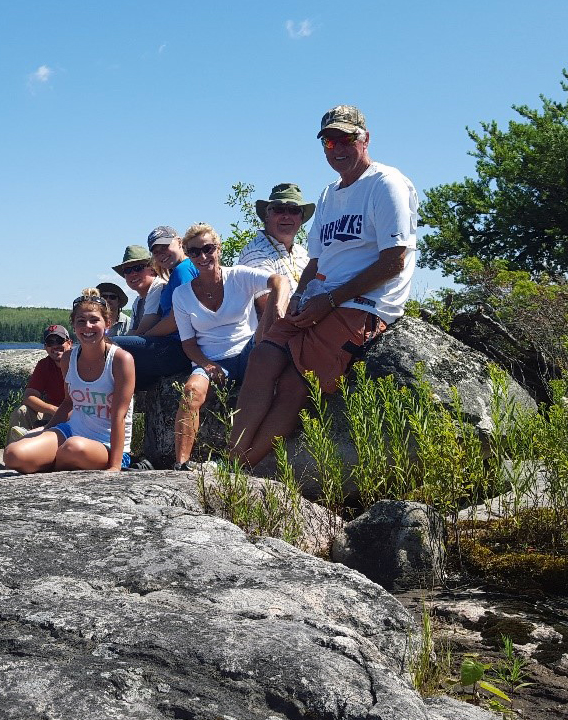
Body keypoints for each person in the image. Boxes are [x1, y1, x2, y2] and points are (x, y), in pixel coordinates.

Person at [229, 105, 418, 468]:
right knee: (264, 356)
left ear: (366, 139)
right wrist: (300, 296)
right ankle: (231, 457)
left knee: (295, 383)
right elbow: (315, 261)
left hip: (362, 304)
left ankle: (242, 468)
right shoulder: (331, 193)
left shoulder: (386, 184)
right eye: (329, 141)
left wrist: (330, 300)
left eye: (346, 138)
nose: (338, 148)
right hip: (319, 300)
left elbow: (393, 261)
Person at [170, 224, 289, 470]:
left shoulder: (238, 276)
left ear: (219, 249)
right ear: (188, 255)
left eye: (208, 249)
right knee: (191, 392)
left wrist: (278, 304)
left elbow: (279, 280)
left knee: (266, 317)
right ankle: (180, 466)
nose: (203, 257)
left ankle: (234, 461)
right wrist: (206, 364)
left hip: (247, 351)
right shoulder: (181, 295)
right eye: (194, 252)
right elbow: (188, 344)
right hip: (211, 360)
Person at [4, 289, 135, 473]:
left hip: (106, 444)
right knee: (13, 454)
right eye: (81, 321)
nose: (87, 326)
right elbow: (68, 402)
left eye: (94, 320)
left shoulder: (121, 360)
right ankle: (52, 461)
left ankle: (50, 463)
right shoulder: (68, 359)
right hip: (72, 431)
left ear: (107, 323)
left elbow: (119, 415)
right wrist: (46, 431)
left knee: (72, 449)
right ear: (73, 326)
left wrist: (115, 466)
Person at [113, 226, 198, 389]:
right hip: (174, 347)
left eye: (165, 247)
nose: (161, 254)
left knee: (110, 347)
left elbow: (178, 319)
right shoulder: (177, 272)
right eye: (156, 251)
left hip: (177, 349)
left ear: (179, 242)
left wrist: (147, 337)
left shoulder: (183, 269)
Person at [237, 183, 312, 302]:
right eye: (279, 209)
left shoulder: (303, 254)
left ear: (301, 218)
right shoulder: (255, 252)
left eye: (294, 210)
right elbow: (271, 309)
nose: (286, 216)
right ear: (267, 216)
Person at [6, 325, 72, 444]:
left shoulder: (80, 362)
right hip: (51, 414)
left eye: (60, 340)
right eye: (50, 342)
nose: (55, 345)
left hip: (77, 415)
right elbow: (29, 397)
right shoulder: (44, 365)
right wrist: (53, 410)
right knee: (22, 411)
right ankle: (14, 455)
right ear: (45, 347)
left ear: (69, 343)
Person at [112, 245, 164, 334]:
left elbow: (144, 328)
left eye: (138, 268)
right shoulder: (137, 301)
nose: (133, 274)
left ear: (152, 269)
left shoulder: (159, 288)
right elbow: (133, 331)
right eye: (127, 270)